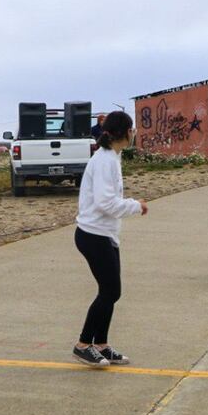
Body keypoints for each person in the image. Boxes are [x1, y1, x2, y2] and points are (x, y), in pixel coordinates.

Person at [72, 111, 148, 368]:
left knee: (111, 292)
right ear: (124, 132)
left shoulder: (112, 156)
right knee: (110, 291)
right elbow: (105, 202)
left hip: (105, 234)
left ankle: (101, 345)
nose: (134, 132)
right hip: (93, 235)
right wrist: (135, 206)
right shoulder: (105, 160)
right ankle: (83, 345)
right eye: (132, 128)